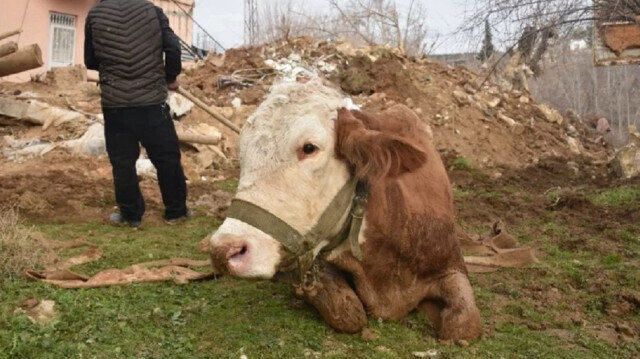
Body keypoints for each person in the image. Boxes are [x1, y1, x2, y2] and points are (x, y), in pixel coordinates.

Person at [85, 0, 190, 228]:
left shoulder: (95, 15)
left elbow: (90, 60)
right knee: (167, 157)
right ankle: (176, 212)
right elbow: (173, 47)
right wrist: (170, 76)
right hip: (152, 102)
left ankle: (131, 216)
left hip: (116, 105)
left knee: (123, 161)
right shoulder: (152, 11)